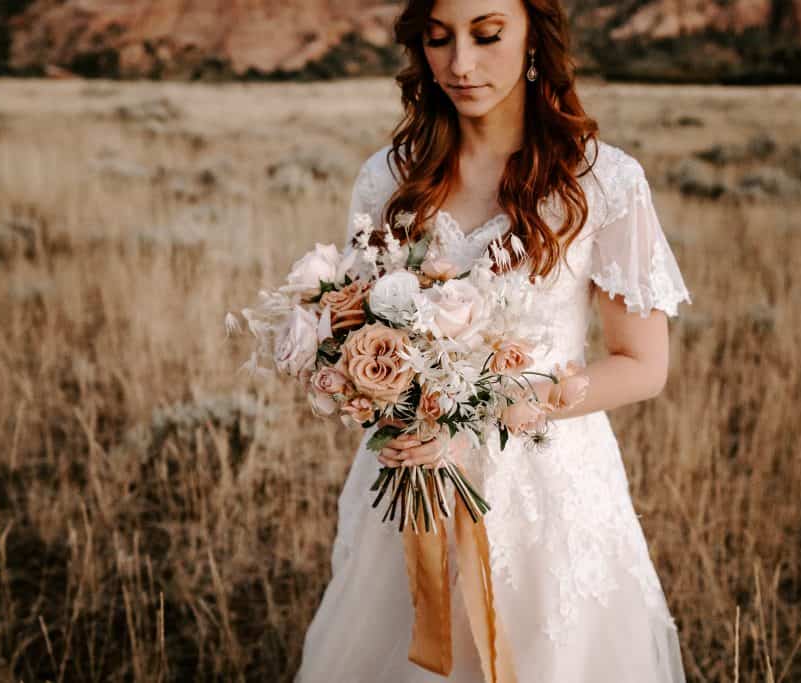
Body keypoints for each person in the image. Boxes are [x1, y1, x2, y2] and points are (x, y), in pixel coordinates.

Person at [294, 0, 692, 680]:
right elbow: (365, 328)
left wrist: (495, 405)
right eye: (438, 39)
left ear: (534, 38)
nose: (460, 64)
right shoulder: (387, 178)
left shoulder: (603, 182)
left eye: (486, 35)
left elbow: (643, 365)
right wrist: (375, 390)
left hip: (549, 488)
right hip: (413, 482)